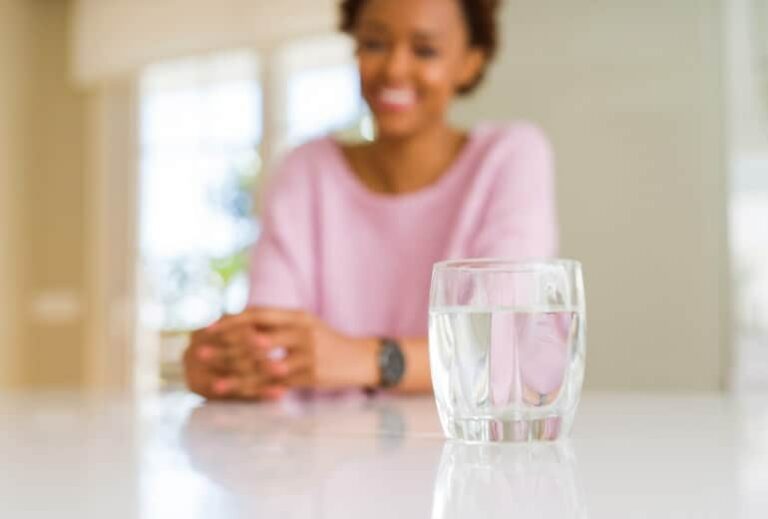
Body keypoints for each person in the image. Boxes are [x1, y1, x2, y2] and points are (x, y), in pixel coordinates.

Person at [184, 0, 558, 400]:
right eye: (375, 44)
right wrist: (221, 362)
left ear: (470, 62)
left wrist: (368, 359)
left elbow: (513, 352)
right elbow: (271, 346)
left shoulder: (510, 156)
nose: (394, 69)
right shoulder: (306, 171)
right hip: (317, 456)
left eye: (425, 50)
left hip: (463, 456)